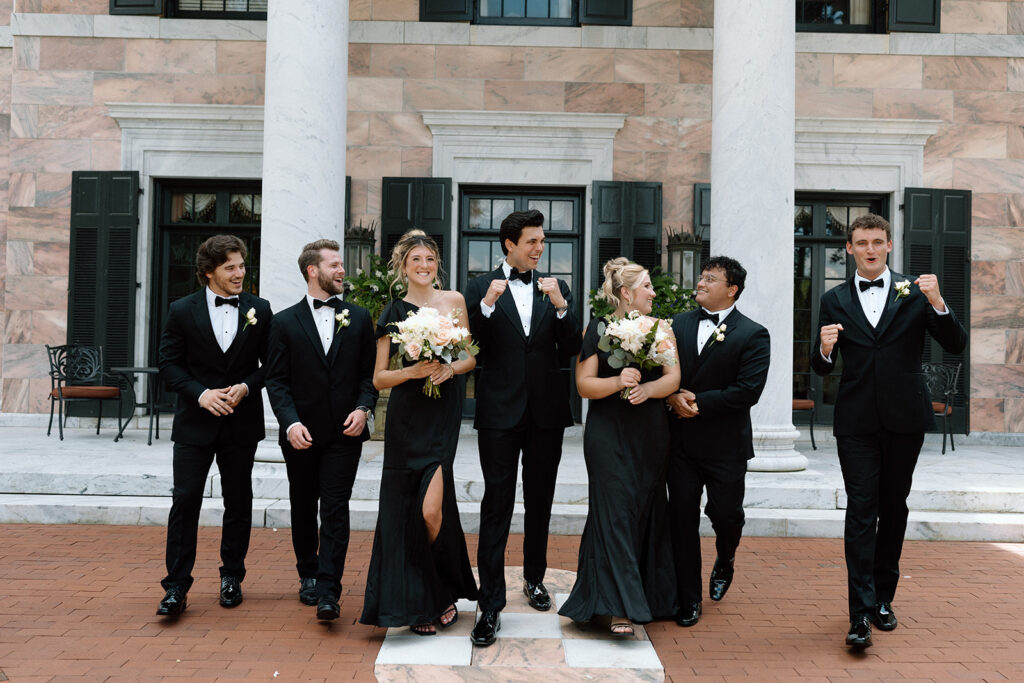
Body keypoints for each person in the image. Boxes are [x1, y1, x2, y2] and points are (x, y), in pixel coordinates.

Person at [812, 213, 967, 648]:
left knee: (893, 506)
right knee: (861, 509)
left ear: (889, 246)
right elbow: (819, 364)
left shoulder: (915, 293)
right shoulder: (834, 298)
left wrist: (938, 302)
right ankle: (859, 614)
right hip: (856, 421)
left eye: (878, 242)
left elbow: (955, 344)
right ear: (849, 248)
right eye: (862, 243)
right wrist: (824, 351)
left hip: (904, 419)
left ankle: (884, 598)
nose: (870, 249)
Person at [463, 209, 582, 647]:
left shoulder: (558, 288)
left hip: (547, 413)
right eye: (532, 241)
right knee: (497, 502)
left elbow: (569, 349)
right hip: (498, 412)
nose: (540, 248)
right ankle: (489, 603)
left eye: (542, 240)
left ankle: (535, 579)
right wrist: (488, 307)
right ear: (509, 244)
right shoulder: (479, 289)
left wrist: (562, 307)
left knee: (540, 500)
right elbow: (473, 346)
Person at [359, 230, 479, 635]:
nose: (424, 266)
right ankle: (427, 598)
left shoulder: (455, 301)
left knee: (432, 511)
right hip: (407, 419)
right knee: (407, 512)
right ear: (403, 267)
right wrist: (412, 371)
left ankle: (436, 588)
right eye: (416, 261)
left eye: (430, 259)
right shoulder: (392, 309)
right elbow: (378, 378)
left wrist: (450, 368)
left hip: (441, 416)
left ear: (436, 264)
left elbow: (469, 357)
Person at [558, 258, 680, 636]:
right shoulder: (596, 328)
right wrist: (618, 383)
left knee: (642, 508)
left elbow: (674, 377)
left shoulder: (662, 329)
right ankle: (619, 608)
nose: (654, 293)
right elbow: (584, 386)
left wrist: (646, 389)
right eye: (647, 286)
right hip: (607, 433)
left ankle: (639, 595)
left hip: (650, 434)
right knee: (614, 512)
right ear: (626, 293)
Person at [156, 234, 273, 617]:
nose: (240, 273)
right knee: (185, 500)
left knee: (237, 501)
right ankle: (175, 587)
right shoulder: (181, 310)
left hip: (241, 423)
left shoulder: (261, 309)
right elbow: (169, 364)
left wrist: (245, 386)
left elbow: (273, 365)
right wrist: (200, 393)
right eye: (231, 268)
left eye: (242, 266)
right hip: (194, 423)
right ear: (209, 273)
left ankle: (231, 577)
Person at [265, 239, 377, 622]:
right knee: (302, 504)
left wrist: (364, 409)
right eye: (334, 264)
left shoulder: (359, 318)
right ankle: (307, 574)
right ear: (313, 271)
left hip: (345, 434)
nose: (341, 270)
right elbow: (276, 380)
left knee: (334, 508)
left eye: (341, 264)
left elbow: (368, 375)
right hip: (301, 434)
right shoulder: (282, 322)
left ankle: (330, 590)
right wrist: (290, 422)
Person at [666, 256, 770, 628]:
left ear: (732, 290)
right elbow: (663, 371)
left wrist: (697, 402)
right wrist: (671, 396)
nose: (701, 282)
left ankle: (725, 557)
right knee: (680, 520)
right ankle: (688, 598)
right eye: (702, 276)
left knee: (726, 516)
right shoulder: (676, 324)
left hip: (726, 446)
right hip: (680, 444)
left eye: (710, 279)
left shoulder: (753, 334)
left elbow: (748, 391)